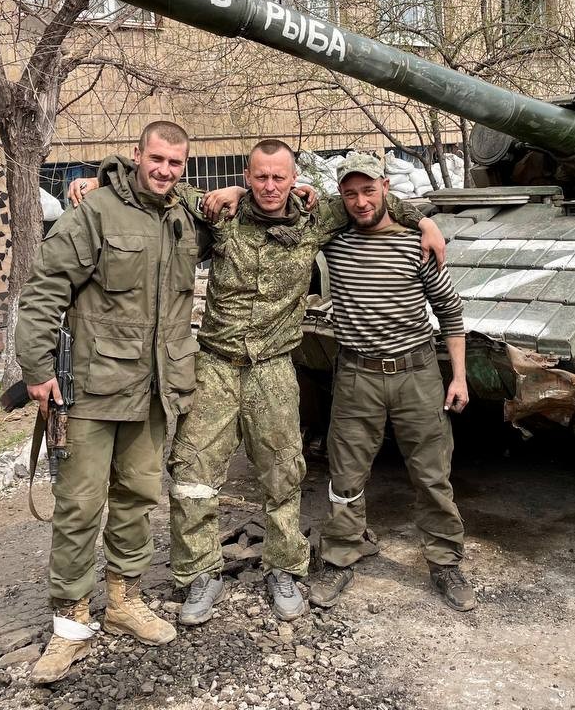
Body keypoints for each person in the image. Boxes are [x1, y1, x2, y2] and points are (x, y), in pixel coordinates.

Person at [68, 140, 444, 626]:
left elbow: (367, 197)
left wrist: (424, 220)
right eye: (261, 177)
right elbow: (157, 185)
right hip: (217, 365)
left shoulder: (315, 217)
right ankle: (199, 572)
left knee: (283, 470)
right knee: (193, 473)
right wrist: (101, 179)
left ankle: (284, 567)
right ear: (247, 177)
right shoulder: (219, 212)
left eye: (279, 178)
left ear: (293, 179)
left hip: (273, 366)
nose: (270, 187)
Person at [17, 120, 204, 685]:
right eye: (157, 159)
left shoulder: (184, 214)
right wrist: (37, 368)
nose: (165, 170)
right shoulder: (95, 212)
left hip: (154, 390)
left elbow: (240, 206)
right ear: (136, 155)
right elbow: (47, 285)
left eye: (176, 162)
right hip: (93, 391)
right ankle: (71, 624)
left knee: (137, 498)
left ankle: (123, 601)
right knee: (78, 506)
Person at [309, 152, 476, 613]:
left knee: (431, 473)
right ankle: (342, 552)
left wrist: (458, 376)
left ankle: (445, 561)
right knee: (344, 473)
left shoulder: (415, 245)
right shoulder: (335, 242)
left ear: (385, 186)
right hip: (358, 374)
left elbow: (450, 313)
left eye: (368, 190)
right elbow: (285, 204)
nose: (361, 201)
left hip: (416, 375)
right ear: (341, 197)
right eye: (350, 193)